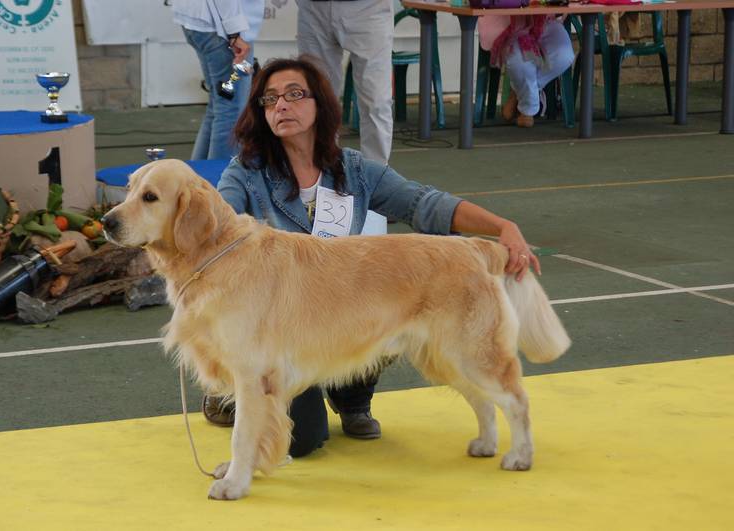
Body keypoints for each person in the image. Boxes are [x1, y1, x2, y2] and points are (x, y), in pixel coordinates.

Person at [209, 55, 540, 458]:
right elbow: (219, 228)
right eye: (270, 99)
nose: (281, 105)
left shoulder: (354, 170)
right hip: (283, 330)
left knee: (385, 303)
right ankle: (228, 388)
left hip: (347, 312)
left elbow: (424, 203)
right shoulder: (245, 173)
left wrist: (502, 226)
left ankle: (353, 401)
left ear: (320, 105)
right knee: (302, 440)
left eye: (294, 94)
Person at [296, 0, 394, 164]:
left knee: (375, 101)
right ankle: (322, 169)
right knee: (316, 97)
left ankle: (376, 172)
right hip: (313, 8)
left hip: (368, 8)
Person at [171, 0, 265, 159]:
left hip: (203, 21)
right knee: (231, 110)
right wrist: (234, 32)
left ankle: (201, 170)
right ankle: (219, 173)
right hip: (220, 27)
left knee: (220, 105)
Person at [478, 14, 575, 128]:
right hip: (508, 23)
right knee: (518, 61)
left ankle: (517, 92)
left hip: (545, 20)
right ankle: (527, 111)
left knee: (564, 55)